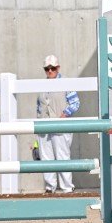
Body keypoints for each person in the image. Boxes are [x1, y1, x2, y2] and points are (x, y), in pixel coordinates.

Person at [36, 55, 80, 194]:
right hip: (44, 127)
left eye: (53, 68)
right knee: (46, 158)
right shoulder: (41, 85)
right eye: (47, 69)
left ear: (58, 68)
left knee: (62, 156)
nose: (50, 71)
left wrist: (64, 115)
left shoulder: (66, 82)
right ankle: (50, 188)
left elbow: (75, 103)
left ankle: (67, 187)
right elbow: (39, 107)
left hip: (61, 126)